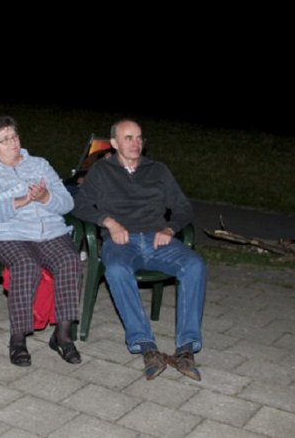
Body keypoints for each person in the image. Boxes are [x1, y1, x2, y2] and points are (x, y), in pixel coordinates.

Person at [73, 118, 206, 381]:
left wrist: (170, 229)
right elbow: (80, 204)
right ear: (114, 143)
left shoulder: (157, 170)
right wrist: (109, 222)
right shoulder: (101, 171)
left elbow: (183, 207)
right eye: (128, 138)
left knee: (195, 265)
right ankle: (146, 345)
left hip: (158, 239)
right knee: (116, 269)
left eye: (139, 138)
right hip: (121, 242)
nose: (136, 143)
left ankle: (186, 347)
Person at [0, 115, 82, 367]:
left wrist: (45, 197)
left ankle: (62, 335)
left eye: (15, 136)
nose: (13, 143)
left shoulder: (40, 165)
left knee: (70, 260)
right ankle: (18, 339)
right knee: (26, 264)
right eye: (5, 140)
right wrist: (18, 202)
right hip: (10, 235)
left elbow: (67, 202)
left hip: (50, 233)